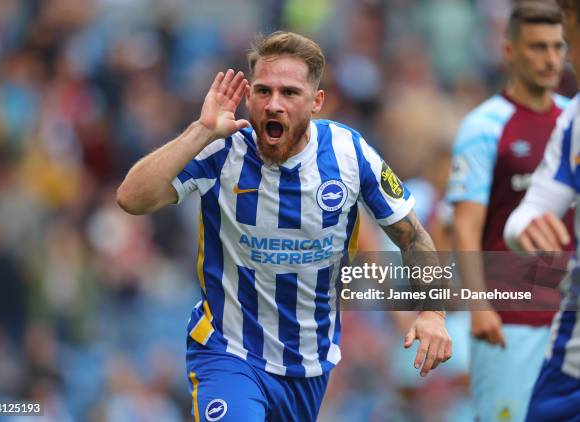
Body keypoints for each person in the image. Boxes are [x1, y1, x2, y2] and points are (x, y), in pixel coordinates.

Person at [116, 31, 451, 421]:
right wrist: (200, 130)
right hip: (228, 352)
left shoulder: (350, 155)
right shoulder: (221, 148)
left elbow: (412, 236)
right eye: (263, 91)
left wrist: (432, 311)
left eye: (289, 93)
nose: (274, 105)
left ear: (316, 102)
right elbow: (131, 198)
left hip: (308, 367)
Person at [446, 2, 571, 421]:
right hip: (510, 317)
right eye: (538, 47)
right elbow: (464, 229)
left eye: (558, 46)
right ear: (510, 50)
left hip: (566, 318)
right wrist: (479, 307)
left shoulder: (571, 120)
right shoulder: (485, 126)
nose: (551, 58)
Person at [504, 1, 580, 420]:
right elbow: (530, 210)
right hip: (574, 356)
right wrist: (526, 227)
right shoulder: (574, 120)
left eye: (569, 41)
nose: (567, 58)